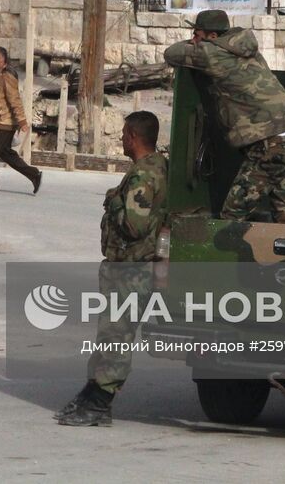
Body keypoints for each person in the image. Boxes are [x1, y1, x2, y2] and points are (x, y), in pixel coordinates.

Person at [55, 110, 168, 427]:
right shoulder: (154, 167)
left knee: (116, 338)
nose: (120, 138)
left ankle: (100, 405)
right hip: (127, 267)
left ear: (133, 136)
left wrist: (113, 201)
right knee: (109, 336)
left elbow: (134, 224)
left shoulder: (145, 174)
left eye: (123, 133)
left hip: (131, 270)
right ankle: (91, 394)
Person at [163, 9, 285, 222]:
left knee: (232, 218)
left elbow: (171, 53)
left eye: (197, 33)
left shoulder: (210, 54)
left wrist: (195, 44)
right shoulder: (249, 51)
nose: (195, 38)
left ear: (212, 36)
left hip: (271, 143)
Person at [0, 46, 42, 195]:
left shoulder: (8, 76)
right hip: (2, 120)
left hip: (6, 122)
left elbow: (15, 99)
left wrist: (22, 122)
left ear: (2, 59)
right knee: (5, 153)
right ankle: (34, 175)